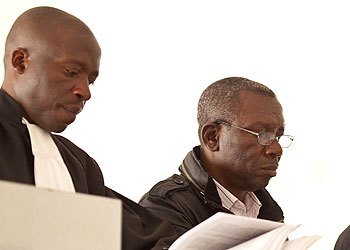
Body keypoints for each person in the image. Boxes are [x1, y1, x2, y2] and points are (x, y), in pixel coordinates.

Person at [0, 6, 177, 250]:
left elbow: (151, 238)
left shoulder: (77, 164)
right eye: (71, 72)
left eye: (90, 80)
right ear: (20, 62)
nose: (86, 92)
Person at [139, 77, 294, 236]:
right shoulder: (164, 208)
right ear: (212, 137)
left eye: (277, 137)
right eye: (263, 135)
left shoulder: (265, 208)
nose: (276, 149)